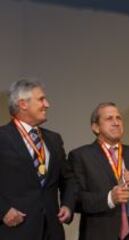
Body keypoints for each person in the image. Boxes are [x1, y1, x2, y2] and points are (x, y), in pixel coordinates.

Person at [68, 102, 129, 240]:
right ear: (96, 127)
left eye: (118, 118)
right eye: (109, 119)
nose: (116, 122)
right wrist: (110, 198)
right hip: (99, 234)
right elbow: (75, 200)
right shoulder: (80, 156)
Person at [0, 79, 77, 240]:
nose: (47, 104)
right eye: (41, 99)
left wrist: (68, 205)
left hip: (52, 230)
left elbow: (68, 179)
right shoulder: (2, 137)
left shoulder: (54, 139)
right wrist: (3, 211)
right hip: (14, 230)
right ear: (23, 104)